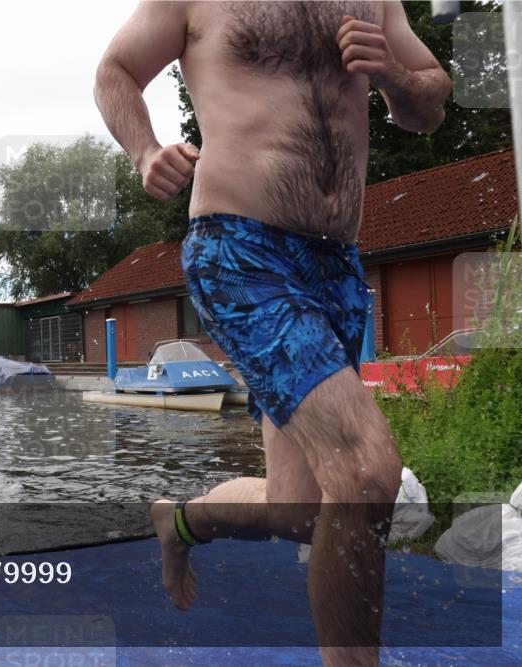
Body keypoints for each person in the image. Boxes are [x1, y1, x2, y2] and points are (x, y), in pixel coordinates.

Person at [94, 3, 450, 665]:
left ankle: (179, 519)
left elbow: (429, 104)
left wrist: (394, 75)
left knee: (299, 509)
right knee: (366, 470)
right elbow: (115, 70)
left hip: (335, 266)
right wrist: (145, 150)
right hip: (240, 252)